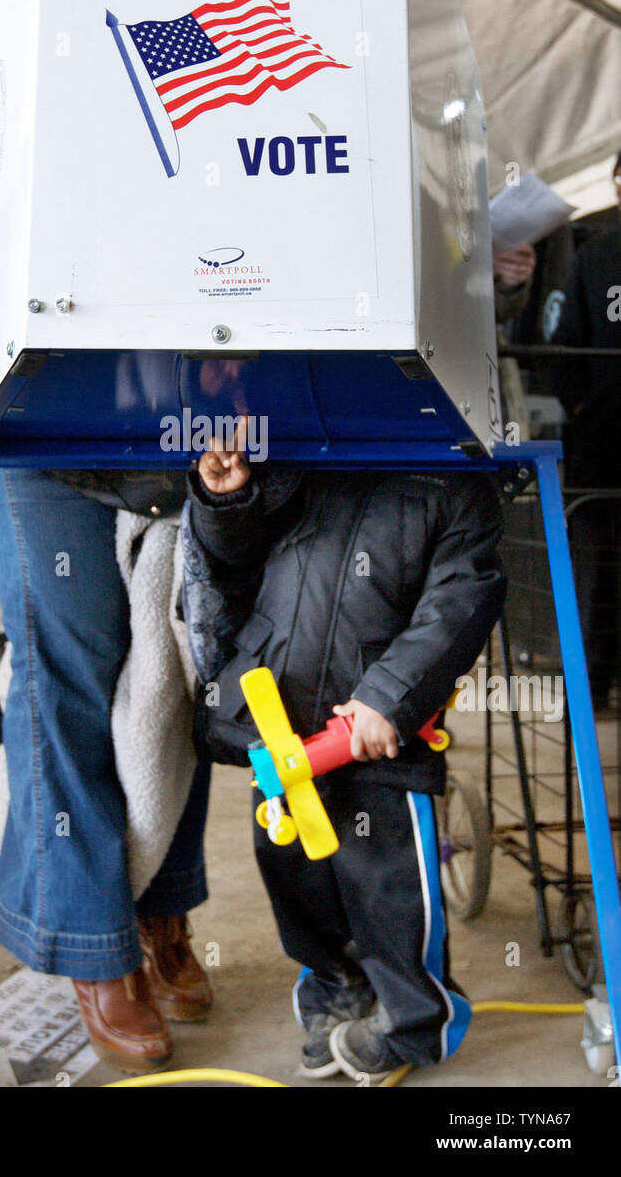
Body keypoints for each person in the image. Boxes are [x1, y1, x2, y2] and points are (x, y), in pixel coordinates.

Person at [185, 433, 505, 1080]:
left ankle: (417, 1020)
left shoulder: (455, 482)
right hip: (283, 728)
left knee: (385, 885)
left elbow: (458, 604)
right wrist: (227, 504)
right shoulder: (294, 456)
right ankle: (337, 984)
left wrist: (389, 695)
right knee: (296, 873)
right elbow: (235, 568)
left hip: (379, 737)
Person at [0, 467, 213, 1074]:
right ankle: (97, 946)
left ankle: (163, 907)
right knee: (67, 669)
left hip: (170, 410)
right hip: (38, 410)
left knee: (178, 660)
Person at [552, 150, 621, 710]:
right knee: (598, 567)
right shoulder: (594, 255)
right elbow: (564, 344)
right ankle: (594, 686)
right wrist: (581, 405)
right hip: (603, 443)